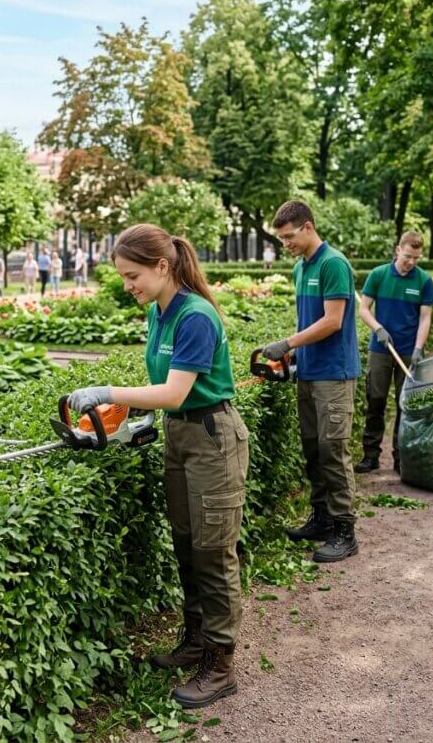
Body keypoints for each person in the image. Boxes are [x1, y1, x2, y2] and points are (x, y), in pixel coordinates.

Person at [68, 224, 247, 709]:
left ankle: (222, 663)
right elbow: (165, 391)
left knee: (214, 551)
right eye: (124, 277)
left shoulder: (195, 316)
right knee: (187, 545)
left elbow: (174, 392)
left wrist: (108, 393)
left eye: (133, 275)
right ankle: (196, 640)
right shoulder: (159, 313)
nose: (128, 285)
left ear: (162, 267)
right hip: (180, 434)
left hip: (212, 436)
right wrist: (128, 420)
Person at [261, 200, 360, 563]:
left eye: (289, 237)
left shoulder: (334, 264)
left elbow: (333, 321)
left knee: (333, 453)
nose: (285, 244)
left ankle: (345, 533)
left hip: (334, 374)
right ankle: (321, 520)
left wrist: (288, 343)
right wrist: (294, 354)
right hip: (310, 372)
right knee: (313, 451)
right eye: (282, 238)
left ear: (307, 227)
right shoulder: (301, 268)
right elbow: (309, 323)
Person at [355, 231, 433, 474]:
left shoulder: (423, 280)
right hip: (380, 349)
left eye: (417, 258)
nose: (411, 262)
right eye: (408, 256)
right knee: (375, 402)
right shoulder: (378, 275)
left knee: (406, 406)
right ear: (397, 250)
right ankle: (371, 455)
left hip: (409, 351)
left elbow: (425, 318)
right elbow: (364, 309)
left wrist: (419, 348)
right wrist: (378, 328)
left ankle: (402, 458)